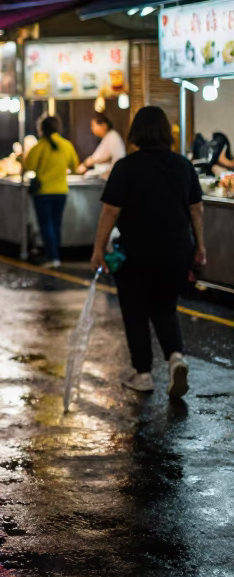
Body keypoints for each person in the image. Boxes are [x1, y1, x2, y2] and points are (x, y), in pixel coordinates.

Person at [91, 106, 205, 396]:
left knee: (135, 310)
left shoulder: (126, 167)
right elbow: (196, 211)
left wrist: (98, 250)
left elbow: (109, 212)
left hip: (137, 250)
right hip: (177, 249)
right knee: (165, 307)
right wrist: (200, 248)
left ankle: (143, 374)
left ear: (136, 133)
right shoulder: (183, 165)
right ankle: (176, 357)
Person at [22, 116, 80, 268]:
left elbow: (29, 166)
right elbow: (75, 166)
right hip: (61, 190)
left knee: (46, 225)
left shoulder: (39, 147)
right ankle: (56, 255)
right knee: (56, 224)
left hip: (43, 192)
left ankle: (52, 257)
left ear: (42, 129)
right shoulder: (66, 145)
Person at [77, 112, 126, 176]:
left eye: (94, 125)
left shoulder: (112, 136)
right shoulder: (108, 136)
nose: (92, 129)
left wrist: (85, 164)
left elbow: (99, 157)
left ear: (104, 125)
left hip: (114, 175)